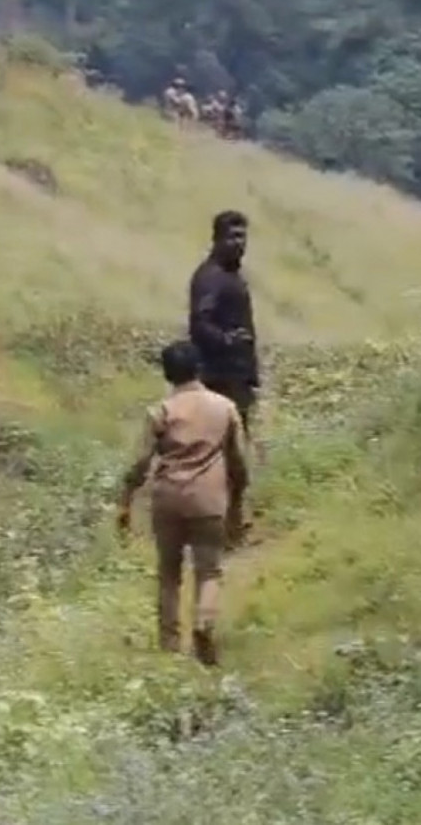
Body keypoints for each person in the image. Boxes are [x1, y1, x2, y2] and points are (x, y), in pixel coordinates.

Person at [116, 340, 250, 668]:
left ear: (167, 374)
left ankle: (170, 646)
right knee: (209, 571)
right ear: (198, 368)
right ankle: (204, 624)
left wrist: (125, 501)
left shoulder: (161, 411)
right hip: (209, 499)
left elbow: (140, 462)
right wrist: (237, 504)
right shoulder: (225, 407)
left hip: (168, 500)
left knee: (169, 574)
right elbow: (238, 463)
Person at [188, 210, 260, 546]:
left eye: (243, 236)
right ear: (216, 238)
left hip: (235, 376)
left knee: (231, 457)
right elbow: (199, 324)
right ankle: (222, 529)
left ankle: (230, 525)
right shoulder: (211, 277)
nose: (239, 243)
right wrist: (228, 342)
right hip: (218, 378)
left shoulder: (231, 275)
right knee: (226, 458)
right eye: (232, 236)